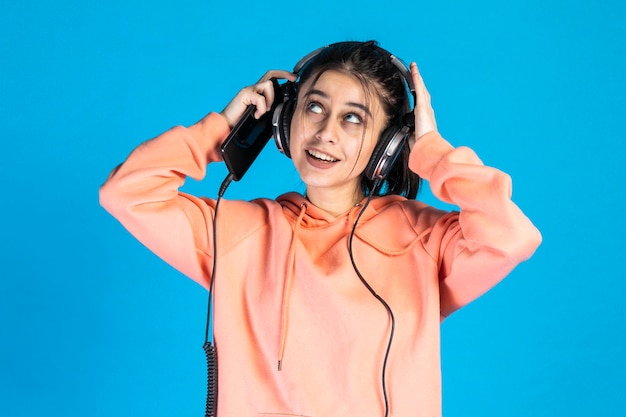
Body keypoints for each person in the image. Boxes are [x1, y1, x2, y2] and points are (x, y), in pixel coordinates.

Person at [100, 41, 541, 417]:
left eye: (353, 118)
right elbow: (127, 193)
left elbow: (511, 236)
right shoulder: (239, 232)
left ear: (388, 144)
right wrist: (218, 131)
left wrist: (430, 151)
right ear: (285, 120)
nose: (325, 133)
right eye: (315, 107)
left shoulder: (424, 240)